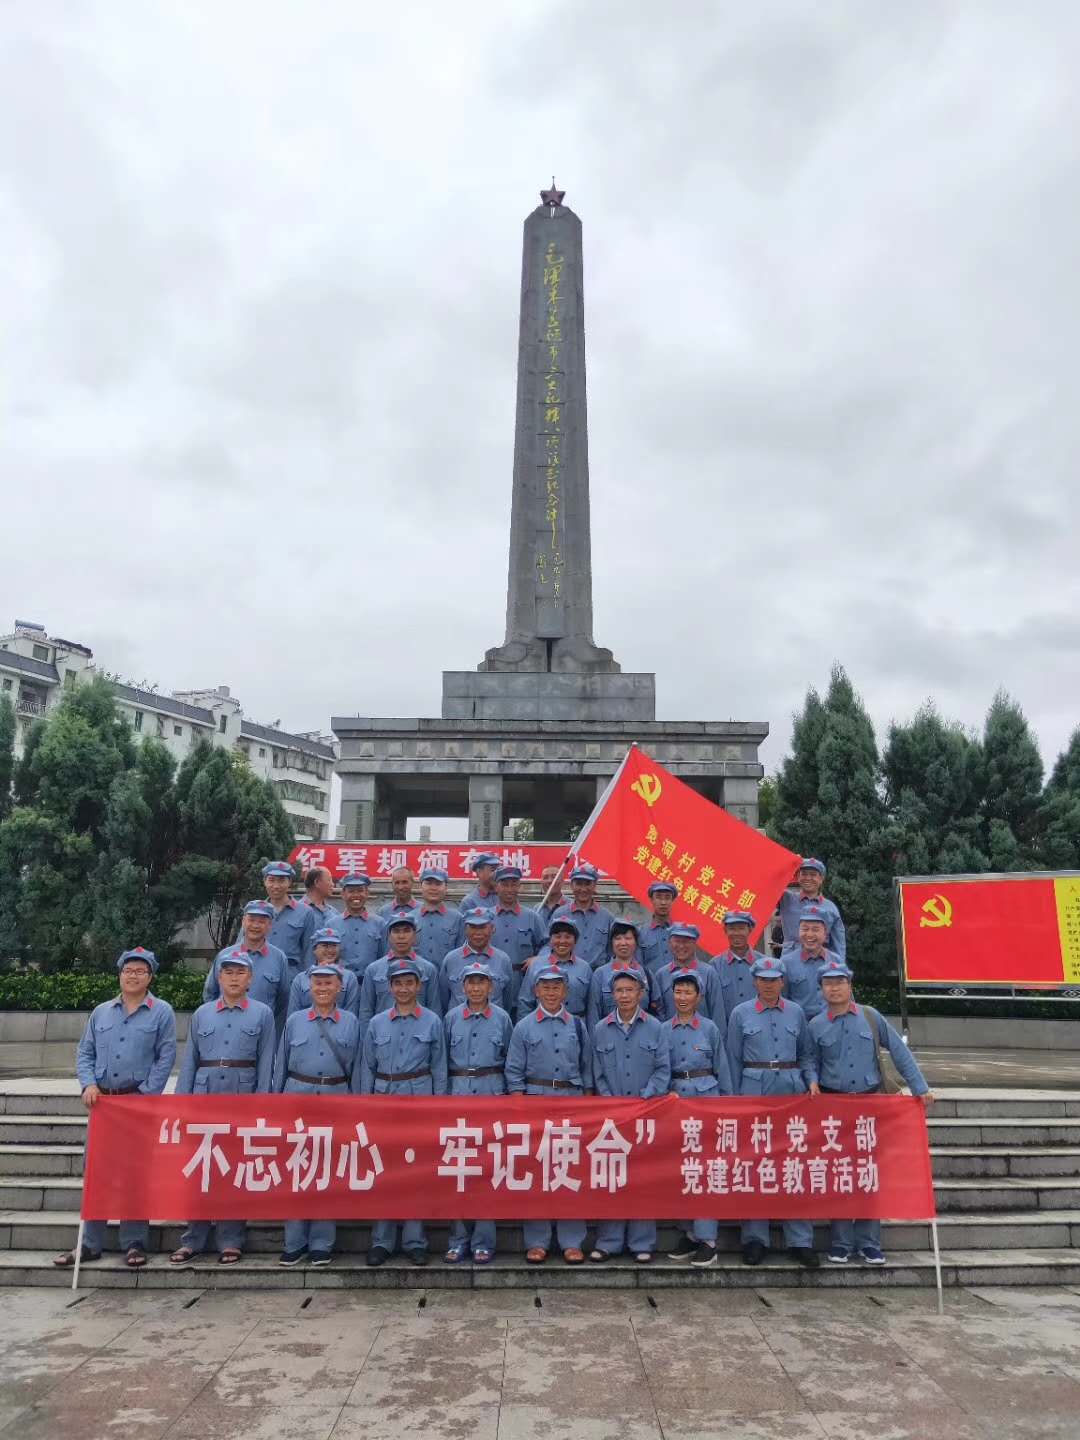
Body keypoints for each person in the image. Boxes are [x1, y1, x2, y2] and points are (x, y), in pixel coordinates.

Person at [55, 947, 176, 1270]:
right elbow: (85, 1052)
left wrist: (148, 1094)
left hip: (137, 1104)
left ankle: (134, 1242)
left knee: (135, 1173)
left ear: (150, 977)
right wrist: (88, 1084)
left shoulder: (161, 1011)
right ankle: (89, 1243)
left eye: (140, 971)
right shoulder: (101, 1012)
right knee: (98, 1172)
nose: (133, 976)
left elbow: (165, 1056)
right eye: (128, 971)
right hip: (104, 1104)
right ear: (120, 975)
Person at [808, 958, 934, 1265]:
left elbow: (899, 1052)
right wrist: (811, 1081)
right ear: (821, 989)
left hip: (869, 1104)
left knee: (867, 1174)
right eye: (828, 983)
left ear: (850, 986)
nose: (834, 988)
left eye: (840, 982)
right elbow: (810, 1059)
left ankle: (868, 1242)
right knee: (839, 1175)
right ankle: (840, 1243)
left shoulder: (870, 1016)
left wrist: (920, 1087)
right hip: (835, 1107)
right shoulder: (815, 1024)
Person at [170, 952, 275, 1265]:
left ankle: (231, 1239)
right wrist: (181, 1101)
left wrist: (262, 1102)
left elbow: (267, 1059)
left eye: (240, 973)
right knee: (200, 1171)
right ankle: (193, 1239)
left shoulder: (262, 1013)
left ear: (250, 979)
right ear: (218, 977)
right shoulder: (203, 1014)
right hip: (205, 1097)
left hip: (241, 1098)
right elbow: (190, 1061)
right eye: (227, 972)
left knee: (235, 1171)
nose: (233, 978)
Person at [727, 955, 820, 1268]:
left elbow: (806, 1054)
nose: (768, 985)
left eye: (774, 979)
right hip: (753, 1091)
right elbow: (732, 1059)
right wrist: (735, 1100)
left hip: (790, 1092)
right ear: (755, 981)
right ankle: (755, 1238)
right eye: (763, 979)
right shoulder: (740, 1014)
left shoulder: (795, 1012)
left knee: (794, 1166)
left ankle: (800, 1240)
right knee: (754, 1166)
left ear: (782, 981)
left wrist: (812, 1081)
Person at [273, 964, 363, 1266]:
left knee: (328, 1171)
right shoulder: (295, 1021)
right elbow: (281, 1064)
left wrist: (357, 1107)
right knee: (296, 1170)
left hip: (337, 1100)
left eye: (329, 982)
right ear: (309, 988)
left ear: (340, 988)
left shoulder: (351, 1022)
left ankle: (322, 1242)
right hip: (297, 1099)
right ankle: (294, 1242)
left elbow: (359, 1068)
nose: (323, 987)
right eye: (317, 983)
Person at [361, 958, 448, 1266]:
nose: (403, 988)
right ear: (390, 987)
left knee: (416, 1173)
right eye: (398, 983)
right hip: (385, 1098)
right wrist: (366, 1106)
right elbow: (367, 1068)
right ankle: (382, 1241)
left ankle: (414, 1240)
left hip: (419, 1098)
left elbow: (439, 1067)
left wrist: (438, 1107)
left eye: (409, 982)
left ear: (419, 986)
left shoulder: (433, 1021)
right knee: (384, 1171)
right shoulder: (376, 1023)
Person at [505, 966, 591, 1264]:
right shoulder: (524, 1027)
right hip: (535, 1102)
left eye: (557, 987)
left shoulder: (578, 1026)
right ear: (536, 991)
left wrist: (586, 1107)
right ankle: (537, 1240)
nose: (552, 992)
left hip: (570, 1102)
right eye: (546, 987)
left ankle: (571, 1240)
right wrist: (520, 1107)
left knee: (570, 1172)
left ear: (565, 992)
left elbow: (587, 1069)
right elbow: (514, 1072)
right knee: (537, 1172)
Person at [589, 971, 670, 1264]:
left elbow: (663, 1068)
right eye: (619, 990)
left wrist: (645, 1099)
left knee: (643, 1177)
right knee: (611, 1175)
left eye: (630, 990)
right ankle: (608, 1241)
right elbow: (596, 1071)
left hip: (646, 1113)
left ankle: (641, 1241)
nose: (624, 995)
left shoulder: (656, 1028)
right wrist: (612, 1102)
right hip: (611, 1116)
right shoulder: (600, 1028)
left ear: (641, 993)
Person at [442, 961, 513, 1264]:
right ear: (462, 987)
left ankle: (484, 1240)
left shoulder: (502, 1019)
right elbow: (441, 1060)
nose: (475, 988)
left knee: (487, 1170)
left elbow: (510, 1060)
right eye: (470, 982)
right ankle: (458, 1239)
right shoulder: (450, 1018)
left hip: (491, 1094)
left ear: (491, 987)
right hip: (458, 1095)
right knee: (459, 1172)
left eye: (481, 982)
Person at [663, 970, 733, 1268]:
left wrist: (727, 1109)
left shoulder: (710, 1029)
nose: (682, 997)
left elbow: (722, 1067)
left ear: (698, 997)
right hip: (675, 1103)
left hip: (706, 1101)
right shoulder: (662, 1029)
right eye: (678, 992)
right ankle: (688, 1233)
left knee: (706, 1170)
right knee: (681, 1171)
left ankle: (708, 1239)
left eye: (688, 992)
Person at [204, 900, 291, 1031]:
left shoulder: (279, 958)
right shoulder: (224, 956)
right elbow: (210, 992)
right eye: (251, 920)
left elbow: (283, 1000)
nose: (255, 925)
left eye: (262, 921)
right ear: (243, 922)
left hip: (261, 1030)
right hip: (224, 1028)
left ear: (269, 926)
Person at [357, 913, 442, 1032]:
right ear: (389, 936)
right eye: (396, 931)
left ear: (415, 936)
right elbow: (366, 1012)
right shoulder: (373, 970)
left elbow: (434, 1009)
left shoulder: (428, 969)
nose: (401, 936)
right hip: (383, 1038)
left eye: (407, 931)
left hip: (419, 1038)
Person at [489, 864, 547, 1013]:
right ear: (496, 887)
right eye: (504, 884)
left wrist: (538, 958)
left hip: (523, 981)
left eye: (513, 884)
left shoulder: (532, 917)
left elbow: (547, 946)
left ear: (519, 887)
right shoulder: (486, 918)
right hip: (492, 981)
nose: (509, 889)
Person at [516, 917, 592, 1020]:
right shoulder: (536, 965)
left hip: (574, 1027)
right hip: (542, 1025)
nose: (562, 941)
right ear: (550, 939)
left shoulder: (585, 968)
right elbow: (525, 1002)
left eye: (568, 937)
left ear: (575, 940)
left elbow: (591, 1006)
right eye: (557, 936)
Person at [652, 923, 726, 1027]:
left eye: (686, 941)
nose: (681, 946)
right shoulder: (661, 975)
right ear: (669, 943)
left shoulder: (709, 973)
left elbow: (718, 1014)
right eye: (677, 941)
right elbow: (659, 1013)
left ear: (695, 943)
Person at [440, 908, 514, 1011]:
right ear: (465, 929)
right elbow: (443, 998)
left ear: (492, 928)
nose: (478, 933)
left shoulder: (503, 960)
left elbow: (507, 1000)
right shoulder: (451, 959)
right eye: (473, 927)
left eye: (483, 927)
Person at [549, 864, 616, 969]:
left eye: (588, 884)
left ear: (594, 886)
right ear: (571, 885)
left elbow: (612, 951)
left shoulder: (607, 917)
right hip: (567, 973)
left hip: (597, 975)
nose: (583, 889)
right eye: (579, 884)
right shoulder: (559, 914)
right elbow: (549, 945)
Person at [778, 858, 846, 960]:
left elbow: (838, 945)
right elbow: (768, 883)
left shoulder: (830, 908)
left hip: (819, 962)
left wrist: (839, 968)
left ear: (821, 879)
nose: (808, 878)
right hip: (790, 961)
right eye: (804, 874)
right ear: (797, 876)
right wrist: (787, 865)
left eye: (813, 874)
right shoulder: (786, 898)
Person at [260, 859, 316, 982]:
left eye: (281, 880)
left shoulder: (305, 912)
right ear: (264, 882)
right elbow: (241, 945)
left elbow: (309, 952)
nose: (276, 886)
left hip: (290, 976)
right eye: (271, 880)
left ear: (289, 882)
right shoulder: (255, 911)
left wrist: (305, 981)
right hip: (259, 973)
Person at [587, 923, 652, 1028]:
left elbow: (658, 1010)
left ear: (636, 942)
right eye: (618, 938)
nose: (623, 943)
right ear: (611, 943)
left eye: (628, 938)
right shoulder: (600, 975)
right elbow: (593, 1016)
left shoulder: (646, 974)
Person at [781, 908, 838, 1021]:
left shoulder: (836, 961)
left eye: (815, 929)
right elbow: (782, 1001)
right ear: (799, 931)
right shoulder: (785, 963)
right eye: (805, 929)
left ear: (825, 933)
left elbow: (846, 999)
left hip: (831, 1028)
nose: (809, 934)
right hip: (801, 1028)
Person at [288, 930, 361, 1017]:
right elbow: (293, 1015)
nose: (330, 950)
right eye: (325, 946)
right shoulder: (300, 979)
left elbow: (351, 1014)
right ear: (314, 949)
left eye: (334, 946)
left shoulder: (349, 978)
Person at [335, 873, 387, 977]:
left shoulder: (380, 923)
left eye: (360, 890)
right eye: (351, 891)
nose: (356, 895)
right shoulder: (332, 924)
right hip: (341, 983)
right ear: (343, 894)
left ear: (367, 893)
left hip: (371, 982)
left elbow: (384, 957)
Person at [714, 910, 762, 1021]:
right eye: (732, 929)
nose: (736, 933)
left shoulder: (762, 963)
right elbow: (714, 1005)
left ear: (750, 930)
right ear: (725, 930)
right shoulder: (715, 966)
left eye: (741, 928)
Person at [414, 866, 465, 963]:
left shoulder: (457, 919)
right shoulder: (410, 918)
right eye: (428, 883)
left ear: (446, 888)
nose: (433, 888)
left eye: (438, 884)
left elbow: (461, 955)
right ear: (420, 886)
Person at [638, 881, 678, 974]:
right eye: (658, 897)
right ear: (651, 900)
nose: (663, 902)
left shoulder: (681, 934)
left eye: (667, 898)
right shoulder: (641, 933)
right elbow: (638, 966)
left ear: (672, 901)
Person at [302, 864, 341, 950]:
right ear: (317, 882)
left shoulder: (334, 913)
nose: (333, 884)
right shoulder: (297, 911)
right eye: (329, 880)